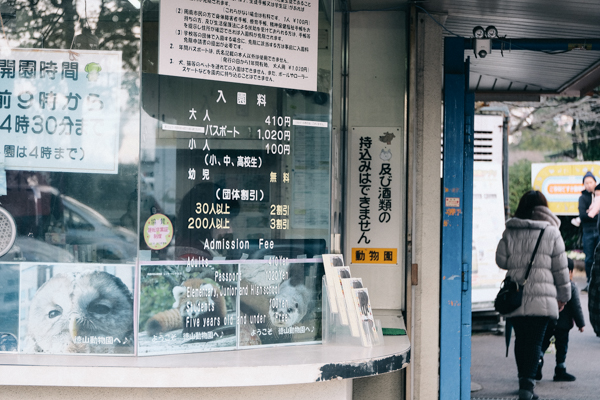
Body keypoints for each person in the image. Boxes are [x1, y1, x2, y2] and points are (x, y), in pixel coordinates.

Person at [496, 190, 571, 400]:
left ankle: (525, 382)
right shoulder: (552, 232)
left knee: (521, 341)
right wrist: (564, 296)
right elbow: (561, 269)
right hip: (543, 298)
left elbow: (501, 261)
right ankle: (527, 388)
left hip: (516, 297)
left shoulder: (511, 229)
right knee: (536, 342)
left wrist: (519, 260)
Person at [536, 258, 585, 382]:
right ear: (570, 272)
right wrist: (581, 324)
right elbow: (576, 307)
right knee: (561, 348)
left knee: (542, 344)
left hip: (547, 322)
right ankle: (560, 370)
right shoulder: (571, 286)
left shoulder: (548, 285)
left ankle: (537, 364)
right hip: (563, 326)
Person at [578, 171, 599, 290]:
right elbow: (582, 216)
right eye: (586, 183)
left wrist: (590, 213)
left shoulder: (599, 196)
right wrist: (595, 214)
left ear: (595, 182)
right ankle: (589, 282)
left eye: (591, 182)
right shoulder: (582, 198)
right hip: (588, 232)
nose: (589, 185)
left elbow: (589, 215)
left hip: (598, 230)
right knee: (589, 258)